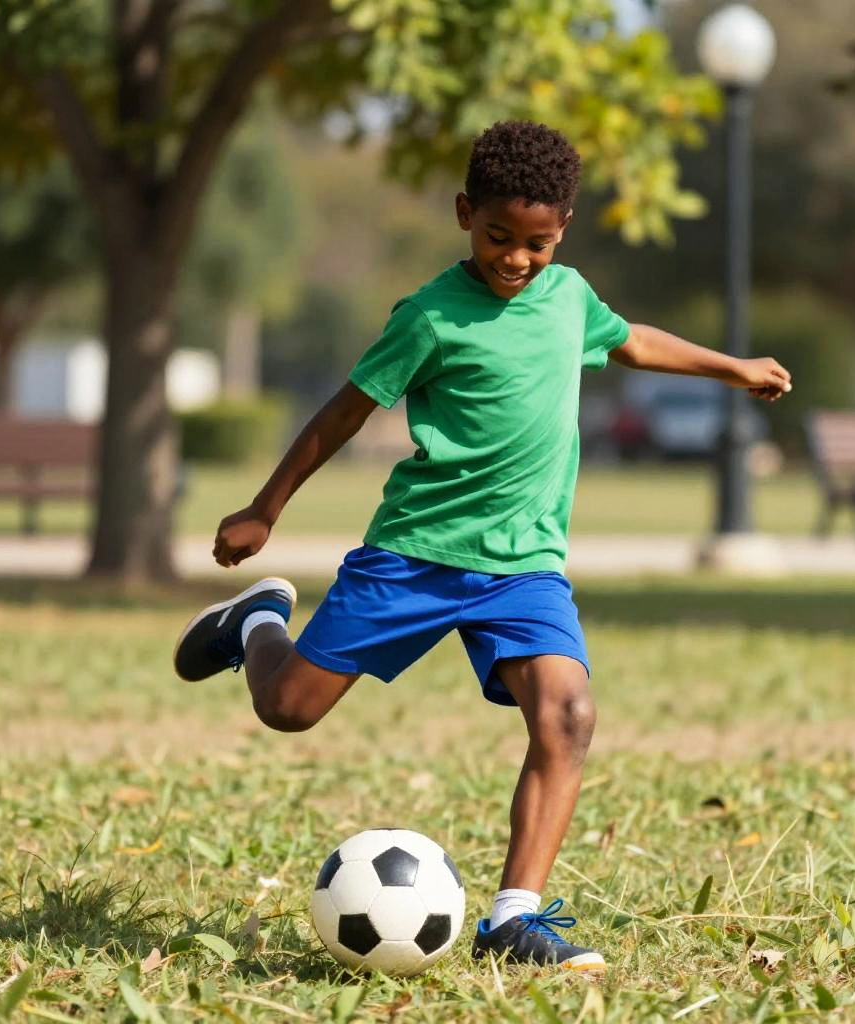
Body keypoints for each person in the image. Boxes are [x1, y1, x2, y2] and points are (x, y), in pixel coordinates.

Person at [174, 120, 791, 972]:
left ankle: (512, 921)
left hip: (524, 567)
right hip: (416, 555)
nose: (517, 259)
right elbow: (344, 413)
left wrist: (734, 368)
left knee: (569, 715)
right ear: (466, 214)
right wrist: (264, 508)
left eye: (537, 243)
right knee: (288, 708)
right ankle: (255, 623)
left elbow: (634, 341)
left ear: (563, 228)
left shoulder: (569, 298)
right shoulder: (429, 316)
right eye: (499, 236)